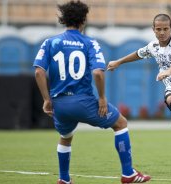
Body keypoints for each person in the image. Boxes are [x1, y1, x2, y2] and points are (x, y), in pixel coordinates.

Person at [33, 1, 151, 184]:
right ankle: (128, 174)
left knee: (65, 136)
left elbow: (39, 71)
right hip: (83, 102)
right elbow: (97, 72)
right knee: (120, 123)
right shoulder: (89, 43)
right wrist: (102, 98)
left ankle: (64, 179)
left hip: (60, 104)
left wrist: (46, 99)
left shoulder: (51, 42)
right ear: (84, 20)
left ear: (64, 19)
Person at [107, 14, 171, 175]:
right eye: (158, 29)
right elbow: (138, 53)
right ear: (153, 30)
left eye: (165, 29)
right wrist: (118, 62)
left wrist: (168, 71)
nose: (162, 32)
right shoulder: (153, 46)